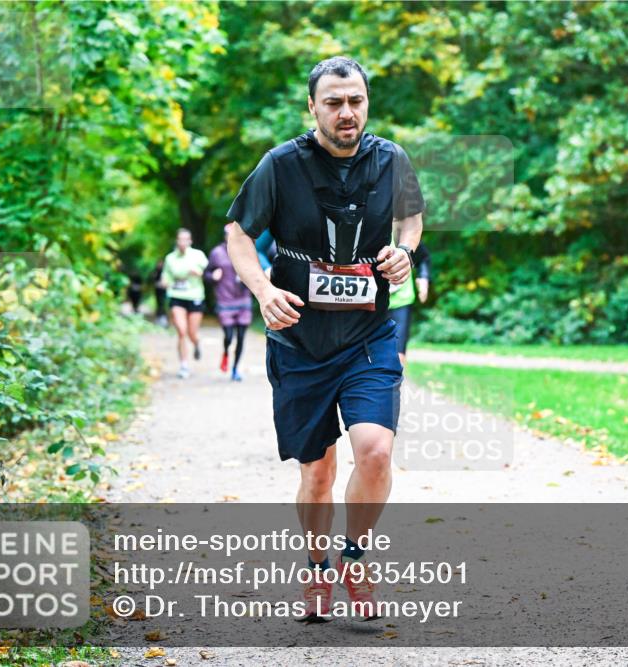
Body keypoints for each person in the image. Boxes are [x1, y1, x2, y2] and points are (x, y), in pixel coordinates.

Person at [225, 56, 424, 622]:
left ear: (367, 102)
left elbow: (411, 218)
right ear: (312, 106)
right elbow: (238, 233)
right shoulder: (281, 164)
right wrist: (263, 290)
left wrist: (403, 252)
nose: (346, 112)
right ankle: (316, 570)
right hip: (300, 341)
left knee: (377, 450)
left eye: (355, 100)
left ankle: (355, 557)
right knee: (318, 471)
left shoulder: (391, 159)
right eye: (333, 102)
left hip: (368, 335)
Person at [204, 227, 274, 382]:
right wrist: (213, 276)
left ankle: (235, 368)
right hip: (225, 300)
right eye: (229, 235)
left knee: (241, 337)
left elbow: (259, 269)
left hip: (243, 300)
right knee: (229, 336)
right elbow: (206, 274)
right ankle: (226, 352)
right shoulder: (217, 253)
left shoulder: (247, 252)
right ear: (225, 237)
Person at [159, 228, 209, 379]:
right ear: (177, 241)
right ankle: (184, 365)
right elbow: (165, 276)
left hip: (194, 296)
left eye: (185, 239)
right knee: (181, 331)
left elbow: (207, 272)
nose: (182, 242)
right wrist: (164, 282)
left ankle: (196, 343)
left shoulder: (198, 255)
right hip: (176, 295)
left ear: (190, 241)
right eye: (180, 239)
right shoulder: (170, 258)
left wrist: (198, 273)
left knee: (192, 332)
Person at [387, 241, 431, 367]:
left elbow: (423, 256)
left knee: (399, 354)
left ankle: (396, 385)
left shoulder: (403, 231)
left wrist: (423, 277)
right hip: (372, 303)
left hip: (401, 301)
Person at [151, 259, 168, 327]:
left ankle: (163, 319)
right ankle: (159, 318)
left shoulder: (165, 271)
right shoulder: (155, 271)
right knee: (159, 303)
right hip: (157, 290)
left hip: (164, 290)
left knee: (163, 304)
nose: (160, 264)